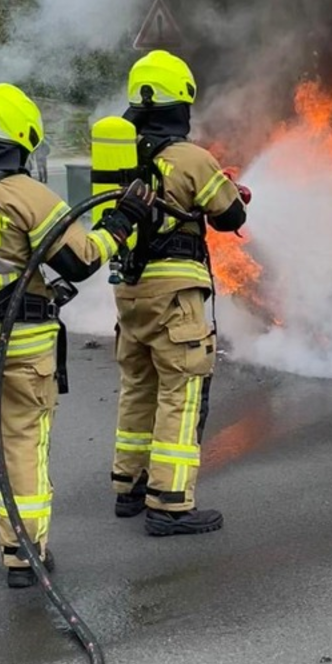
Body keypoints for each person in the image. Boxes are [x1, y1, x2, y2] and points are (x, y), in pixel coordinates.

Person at [0, 83, 157, 587]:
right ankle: (23, 555)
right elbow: (80, 261)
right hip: (20, 351)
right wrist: (121, 221)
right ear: (20, 138)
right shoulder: (28, 195)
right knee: (22, 445)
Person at [109, 50, 250, 537]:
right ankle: (169, 504)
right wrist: (229, 191)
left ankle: (128, 486)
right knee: (182, 393)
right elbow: (231, 217)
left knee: (138, 388)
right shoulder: (190, 158)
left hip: (130, 291)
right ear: (181, 104)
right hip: (175, 297)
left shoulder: (120, 156)